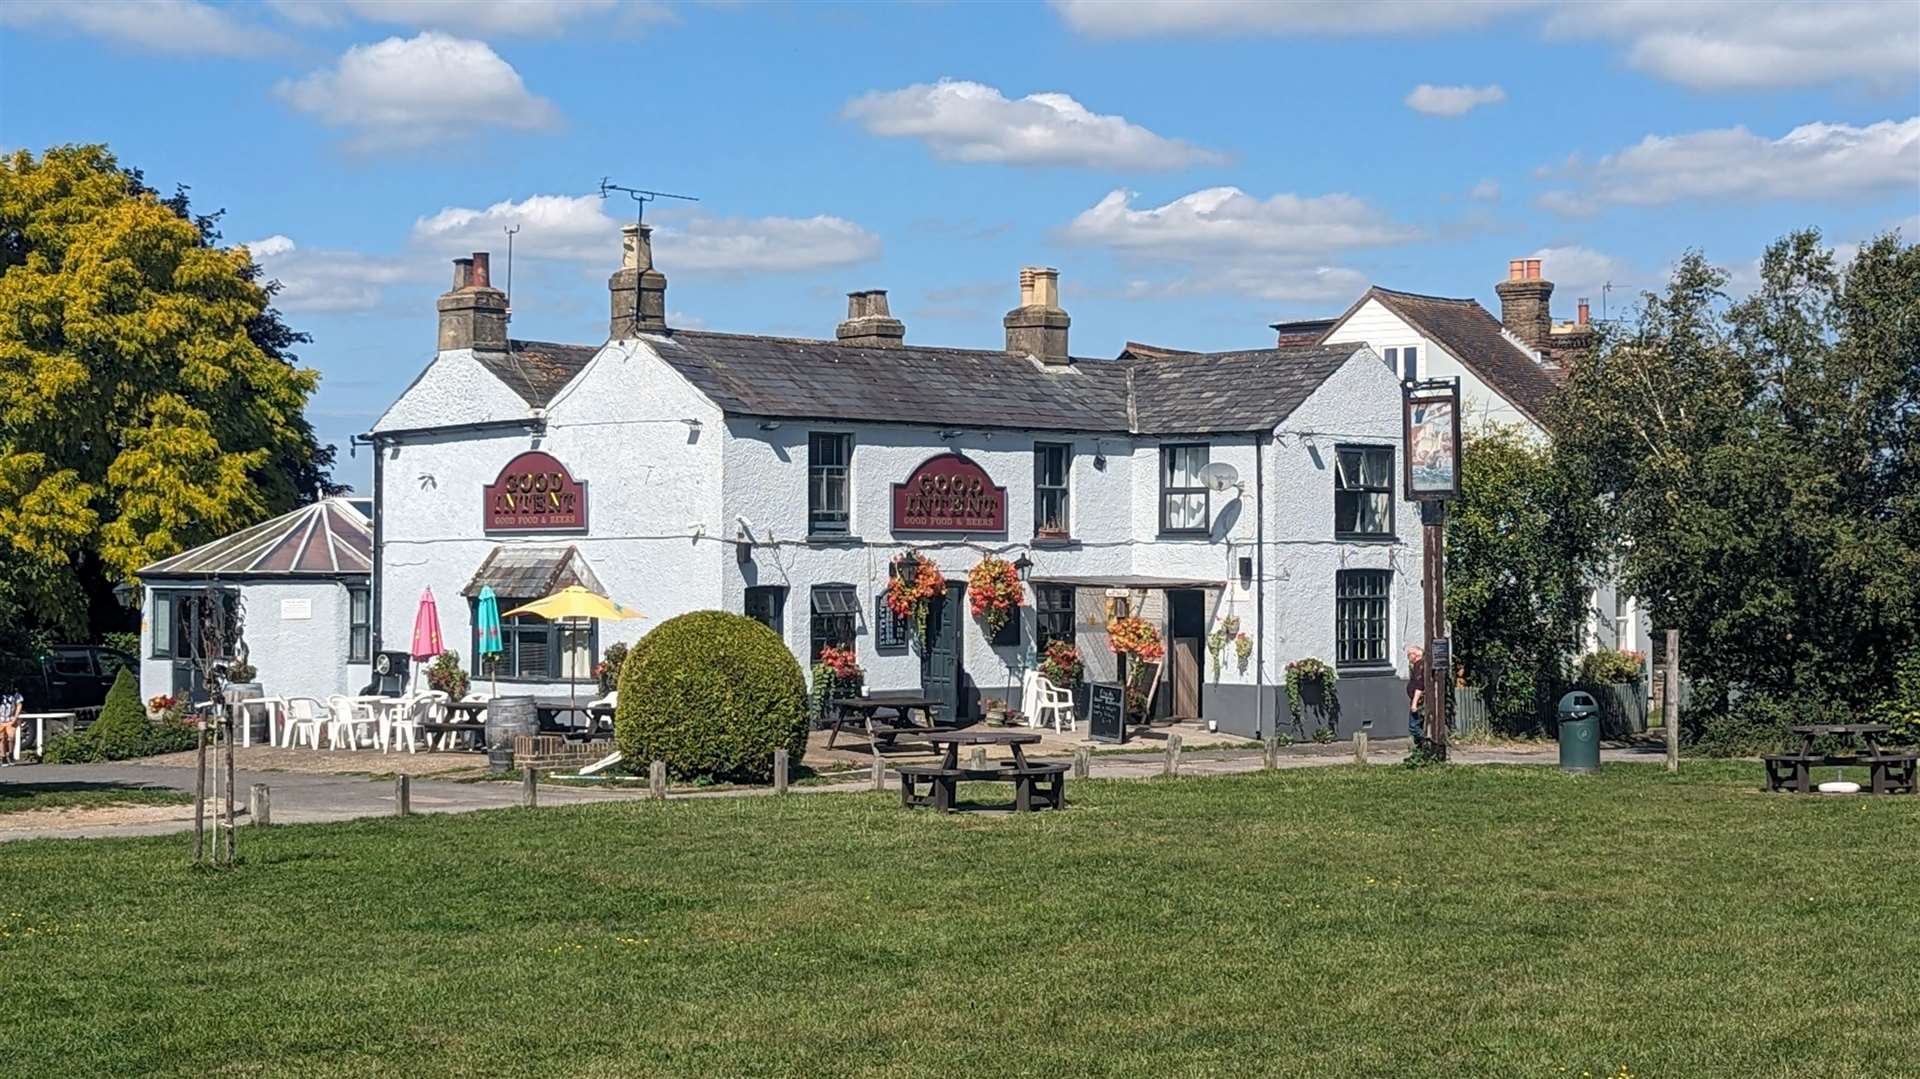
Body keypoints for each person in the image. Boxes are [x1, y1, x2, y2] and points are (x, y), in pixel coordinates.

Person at [1406, 645, 1426, 746]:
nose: (1408, 658)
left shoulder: (1420, 665)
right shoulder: (1419, 665)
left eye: (1408, 655)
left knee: (1413, 727)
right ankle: (1421, 747)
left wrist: (1414, 703)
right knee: (1418, 725)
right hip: (1417, 700)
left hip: (1418, 701)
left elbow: (1419, 686)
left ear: (1414, 655)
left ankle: (1428, 742)